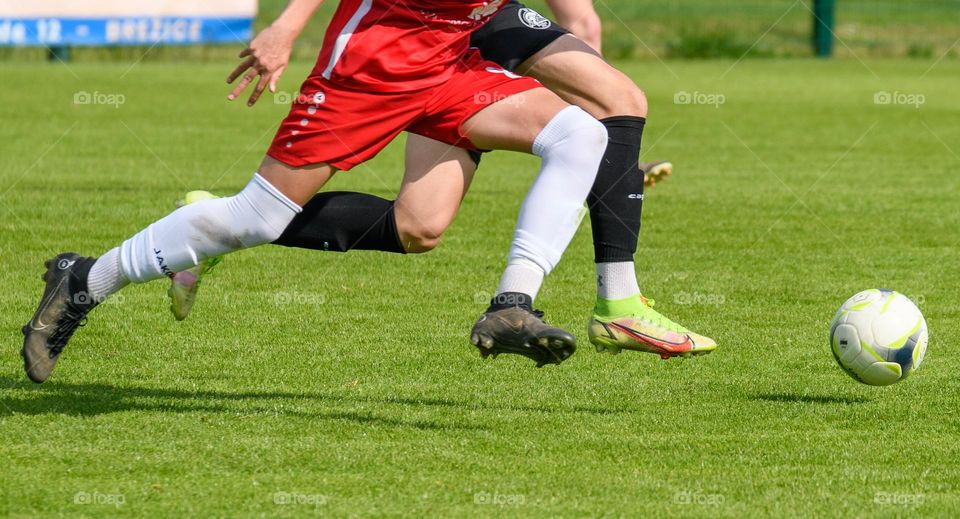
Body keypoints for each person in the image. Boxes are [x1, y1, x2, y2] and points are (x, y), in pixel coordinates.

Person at [21, 0, 613, 383]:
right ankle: (84, 279)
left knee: (567, 143)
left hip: (449, 65)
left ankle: (510, 308)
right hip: (371, 64)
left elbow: (580, 19)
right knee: (257, 217)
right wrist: (285, 26)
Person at [170, 1, 716, 363]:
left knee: (418, 227)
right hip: (438, 31)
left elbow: (583, 18)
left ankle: (216, 221)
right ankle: (618, 304)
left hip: (473, 25)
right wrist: (286, 26)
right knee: (621, 100)